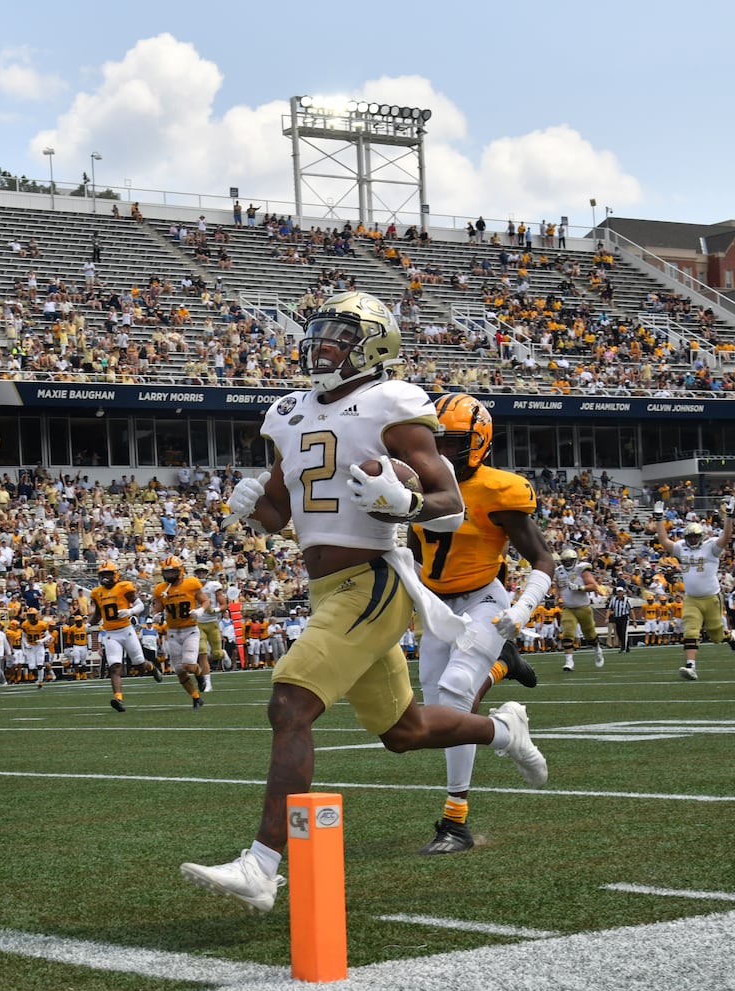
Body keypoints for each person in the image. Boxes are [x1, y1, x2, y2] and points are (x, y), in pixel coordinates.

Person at [180, 291, 547, 913]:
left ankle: (263, 866)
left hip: (374, 579)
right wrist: (252, 506)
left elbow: (449, 505)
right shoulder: (288, 411)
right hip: (327, 584)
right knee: (402, 731)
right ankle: (503, 729)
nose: (319, 343)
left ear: (373, 343)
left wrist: (405, 506)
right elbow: (282, 515)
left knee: (290, 701)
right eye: (317, 331)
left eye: (334, 334)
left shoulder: (392, 402)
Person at [408, 392, 552, 855]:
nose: (441, 453)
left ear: (478, 442)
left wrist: (524, 606)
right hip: (436, 606)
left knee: (452, 696)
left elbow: (543, 558)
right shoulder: (413, 481)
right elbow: (413, 554)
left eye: (451, 443)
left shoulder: (498, 489)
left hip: (483, 599)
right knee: (436, 720)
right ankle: (505, 698)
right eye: (436, 442)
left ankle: (455, 821)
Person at [648, 500, 735, 680]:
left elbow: (726, 537)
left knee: (716, 635)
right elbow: (664, 541)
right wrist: (659, 519)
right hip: (691, 598)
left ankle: (730, 636)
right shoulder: (682, 547)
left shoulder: (711, 546)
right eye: (689, 537)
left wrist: (729, 517)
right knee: (690, 630)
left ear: (702, 535)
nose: (692, 540)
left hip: (711, 597)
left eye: (695, 537)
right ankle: (691, 666)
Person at [151, 555, 208, 708]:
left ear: (180, 570)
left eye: (172, 572)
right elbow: (157, 608)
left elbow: (205, 600)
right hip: (173, 632)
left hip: (190, 629)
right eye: (167, 572)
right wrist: (156, 615)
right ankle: (196, 698)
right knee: (179, 670)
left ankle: (199, 673)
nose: (169, 575)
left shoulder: (191, 584)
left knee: (189, 665)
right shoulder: (161, 589)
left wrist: (201, 610)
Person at [89, 560, 146, 711]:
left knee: (140, 662)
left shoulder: (124, 587)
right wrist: (88, 624)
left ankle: (152, 668)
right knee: (114, 666)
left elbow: (141, 605)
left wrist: (129, 611)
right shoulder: (97, 593)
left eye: (108, 574)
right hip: (110, 633)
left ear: (115, 575)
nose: (106, 578)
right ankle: (118, 699)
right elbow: (98, 614)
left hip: (126, 630)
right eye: (103, 575)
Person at [552, 548, 605, 672]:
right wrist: (557, 596)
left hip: (583, 607)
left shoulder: (582, 569)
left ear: (575, 560)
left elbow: (593, 586)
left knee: (590, 634)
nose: (567, 563)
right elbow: (558, 586)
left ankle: (597, 649)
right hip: (568, 607)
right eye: (565, 561)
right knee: (567, 633)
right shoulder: (559, 571)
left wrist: (579, 588)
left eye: (570, 561)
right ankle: (569, 662)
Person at [608, 582, 633, 653]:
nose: (619, 593)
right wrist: (607, 617)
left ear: (623, 592)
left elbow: (631, 610)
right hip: (617, 617)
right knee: (619, 633)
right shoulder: (613, 600)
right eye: (618, 592)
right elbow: (610, 608)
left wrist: (634, 620)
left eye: (620, 591)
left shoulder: (626, 600)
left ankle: (623, 648)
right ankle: (627, 647)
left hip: (624, 617)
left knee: (623, 632)